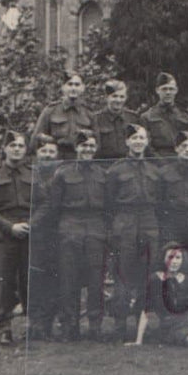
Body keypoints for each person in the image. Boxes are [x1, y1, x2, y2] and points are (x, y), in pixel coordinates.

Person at [40, 130, 109, 341]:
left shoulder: (102, 174)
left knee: (96, 280)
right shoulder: (63, 173)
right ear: (76, 148)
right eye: (83, 146)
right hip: (70, 227)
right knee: (68, 280)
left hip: (95, 228)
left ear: (95, 149)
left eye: (91, 146)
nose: (87, 149)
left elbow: (108, 206)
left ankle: (95, 327)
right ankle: (70, 326)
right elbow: (54, 207)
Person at [104, 124, 162, 341]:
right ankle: (119, 326)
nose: (138, 142)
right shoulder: (116, 170)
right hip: (125, 222)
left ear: (147, 142)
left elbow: (160, 200)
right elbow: (108, 204)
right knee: (123, 274)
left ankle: (141, 328)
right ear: (127, 142)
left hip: (148, 221)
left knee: (147, 274)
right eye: (134, 138)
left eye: (142, 138)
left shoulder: (154, 170)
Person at [0, 131, 33, 345]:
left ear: (25, 149)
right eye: (12, 145)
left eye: (20, 145)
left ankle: (32, 326)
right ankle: (5, 327)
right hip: (6, 234)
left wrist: (31, 225)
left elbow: (45, 203)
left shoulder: (33, 173)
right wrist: (10, 227)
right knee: (5, 281)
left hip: (30, 231)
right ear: (5, 149)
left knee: (30, 281)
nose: (17, 149)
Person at [133, 243, 188, 347]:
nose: (174, 261)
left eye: (178, 258)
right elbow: (145, 312)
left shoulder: (187, 281)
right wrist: (139, 341)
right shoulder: (155, 279)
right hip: (170, 326)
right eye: (170, 257)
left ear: (182, 260)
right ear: (163, 259)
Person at [26, 133, 61, 342]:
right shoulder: (29, 174)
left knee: (54, 279)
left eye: (51, 151)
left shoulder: (62, 174)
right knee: (35, 279)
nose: (47, 155)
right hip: (36, 233)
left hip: (58, 232)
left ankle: (47, 324)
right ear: (37, 153)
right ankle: (34, 324)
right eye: (44, 151)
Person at [30, 70, 96, 159]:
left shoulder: (89, 113)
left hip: (80, 162)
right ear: (63, 87)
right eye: (70, 84)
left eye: (77, 85)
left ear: (83, 88)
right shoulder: (50, 110)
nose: (73, 88)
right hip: (56, 160)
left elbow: (97, 142)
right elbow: (36, 140)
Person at [140, 72, 188, 158]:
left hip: (181, 160)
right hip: (157, 163)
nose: (168, 92)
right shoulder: (147, 117)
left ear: (176, 90)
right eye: (164, 89)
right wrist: (161, 162)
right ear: (157, 90)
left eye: (171, 89)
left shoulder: (184, 115)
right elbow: (147, 146)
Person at [92, 79, 141, 160]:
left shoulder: (133, 118)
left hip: (129, 165)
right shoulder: (96, 119)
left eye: (122, 97)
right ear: (106, 97)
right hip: (105, 165)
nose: (118, 100)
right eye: (114, 96)